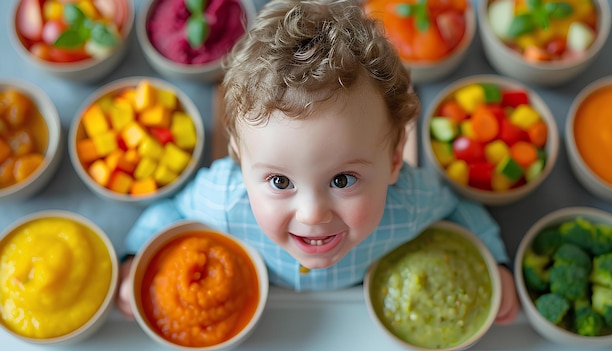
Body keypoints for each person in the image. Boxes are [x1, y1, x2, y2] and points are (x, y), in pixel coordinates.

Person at [116, 0, 519, 324]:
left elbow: (458, 208)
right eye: (279, 182)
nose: (311, 214)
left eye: (343, 180)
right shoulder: (224, 199)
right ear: (239, 163)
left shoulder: (409, 203)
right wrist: (135, 258)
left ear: (396, 159)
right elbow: (170, 210)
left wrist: (496, 261)